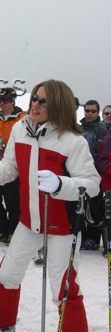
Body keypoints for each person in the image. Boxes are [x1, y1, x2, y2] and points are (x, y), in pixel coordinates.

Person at [0, 79, 100, 332]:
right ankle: (3, 325)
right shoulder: (20, 129)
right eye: (34, 100)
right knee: (6, 275)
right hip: (30, 221)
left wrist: (62, 184)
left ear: (59, 107)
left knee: (64, 292)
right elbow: (9, 168)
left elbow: (91, 183)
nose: (34, 106)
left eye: (43, 102)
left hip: (62, 227)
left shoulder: (72, 141)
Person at [0, 87, 25, 243]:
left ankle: (13, 231)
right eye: (0, 101)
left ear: (13, 101)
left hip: (12, 166)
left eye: (6, 101)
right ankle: (1, 229)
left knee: (12, 201)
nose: (2, 104)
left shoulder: (21, 118)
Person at [79, 100, 107, 250]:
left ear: (98, 113)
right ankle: (81, 236)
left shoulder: (101, 129)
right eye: (87, 111)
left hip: (95, 173)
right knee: (80, 207)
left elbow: (102, 152)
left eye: (93, 111)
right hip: (79, 172)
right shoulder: (79, 127)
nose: (89, 114)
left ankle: (93, 239)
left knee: (94, 207)